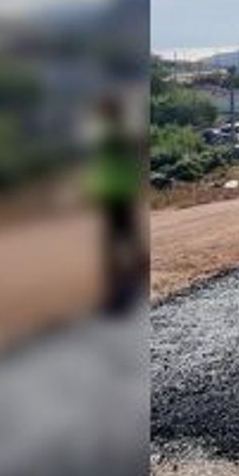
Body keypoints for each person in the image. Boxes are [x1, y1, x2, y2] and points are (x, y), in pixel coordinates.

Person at [87, 96, 144, 315]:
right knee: (122, 235)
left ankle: (120, 281)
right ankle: (127, 274)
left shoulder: (108, 134)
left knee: (115, 237)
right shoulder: (118, 132)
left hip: (115, 190)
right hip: (116, 189)